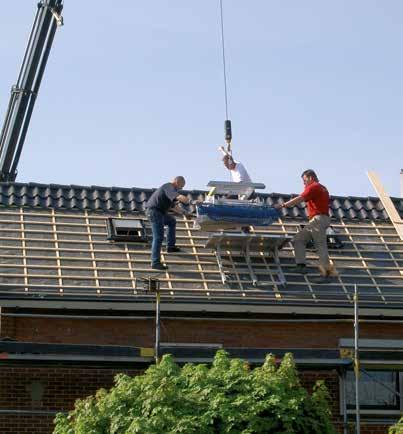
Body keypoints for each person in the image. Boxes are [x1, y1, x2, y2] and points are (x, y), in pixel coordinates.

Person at [275, 169, 336, 280]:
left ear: (310, 177)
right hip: (318, 219)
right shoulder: (321, 187)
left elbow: (300, 198)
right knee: (299, 239)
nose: (304, 183)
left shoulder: (314, 186)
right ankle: (301, 265)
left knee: (320, 245)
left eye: (304, 180)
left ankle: (327, 273)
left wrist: (283, 205)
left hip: (319, 219)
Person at [146, 176, 188, 270]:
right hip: (154, 212)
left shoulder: (170, 193)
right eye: (181, 186)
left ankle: (170, 246)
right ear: (176, 182)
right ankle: (155, 262)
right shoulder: (168, 186)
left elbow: (174, 207)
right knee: (158, 237)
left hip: (160, 213)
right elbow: (179, 197)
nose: (181, 189)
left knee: (171, 221)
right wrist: (192, 201)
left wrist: (185, 213)